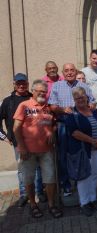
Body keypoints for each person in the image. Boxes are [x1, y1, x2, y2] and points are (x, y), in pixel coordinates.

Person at [13, 79, 62, 218]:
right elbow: (16, 128)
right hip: (28, 151)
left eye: (44, 92)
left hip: (46, 150)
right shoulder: (24, 105)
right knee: (28, 179)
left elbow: (53, 123)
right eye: (39, 91)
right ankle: (33, 205)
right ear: (33, 91)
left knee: (50, 178)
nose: (42, 93)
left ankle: (51, 205)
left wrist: (52, 131)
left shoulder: (48, 107)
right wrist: (21, 147)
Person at [49, 63, 95, 196]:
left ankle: (82, 180)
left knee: (82, 152)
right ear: (63, 73)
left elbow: (92, 102)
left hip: (82, 123)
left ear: (76, 72)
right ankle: (66, 184)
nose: (69, 73)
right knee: (63, 155)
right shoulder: (57, 86)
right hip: (64, 124)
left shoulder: (84, 86)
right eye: (67, 71)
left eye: (72, 70)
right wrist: (63, 110)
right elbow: (52, 106)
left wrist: (91, 106)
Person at [0, 73, 45, 207]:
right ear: (14, 84)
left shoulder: (34, 98)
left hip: (36, 141)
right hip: (18, 142)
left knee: (37, 167)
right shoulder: (7, 101)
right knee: (22, 169)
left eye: (24, 83)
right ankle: (24, 194)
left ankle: (39, 192)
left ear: (27, 84)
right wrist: (4, 136)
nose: (21, 85)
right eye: (18, 83)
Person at [65, 87, 97, 217]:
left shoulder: (94, 111)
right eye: (77, 97)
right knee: (84, 176)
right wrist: (92, 141)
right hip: (83, 150)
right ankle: (84, 203)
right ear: (74, 100)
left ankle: (93, 199)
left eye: (82, 96)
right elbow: (74, 132)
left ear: (86, 97)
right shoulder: (72, 114)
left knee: (95, 174)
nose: (80, 99)